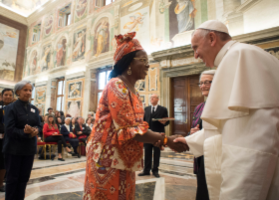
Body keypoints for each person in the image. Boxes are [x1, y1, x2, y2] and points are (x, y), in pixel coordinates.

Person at [174, 20, 279, 199]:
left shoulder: (239, 56)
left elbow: (252, 144)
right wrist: (188, 142)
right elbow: (228, 126)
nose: (195, 55)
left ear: (212, 38)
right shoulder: (242, 55)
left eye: (195, 47)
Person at [83, 32, 188, 199]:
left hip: (123, 159)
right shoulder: (116, 85)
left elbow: (138, 127)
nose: (148, 66)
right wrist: (166, 140)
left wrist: (159, 137)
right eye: (144, 61)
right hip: (106, 160)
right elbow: (129, 129)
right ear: (129, 63)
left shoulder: (133, 92)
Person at [3, 80, 41, 200]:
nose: (28, 92)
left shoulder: (34, 109)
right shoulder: (10, 108)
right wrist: (26, 133)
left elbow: (39, 125)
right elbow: (9, 129)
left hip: (29, 149)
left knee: (24, 178)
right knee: (12, 179)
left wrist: (36, 131)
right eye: (25, 90)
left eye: (30, 90)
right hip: (14, 148)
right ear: (18, 91)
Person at [189, 70, 215, 200]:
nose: (203, 86)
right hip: (201, 155)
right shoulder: (199, 107)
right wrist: (192, 133)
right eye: (201, 83)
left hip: (215, 156)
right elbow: (195, 127)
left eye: (207, 82)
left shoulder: (221, 104)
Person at [138, 94, 169, 178]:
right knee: (147, 152)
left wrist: (165, 122)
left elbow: (167, 121)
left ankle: (155, 170)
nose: (151, 99)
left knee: (157, 153)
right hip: (147, 135)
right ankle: (146, 170)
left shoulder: (163, 109)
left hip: (158, 135)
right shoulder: (146, 109)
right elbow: (143, 121)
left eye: (153, 97)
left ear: (158, 99)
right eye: (150, 97)